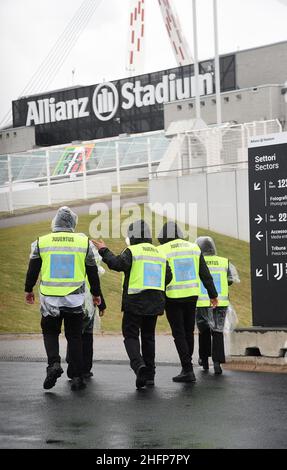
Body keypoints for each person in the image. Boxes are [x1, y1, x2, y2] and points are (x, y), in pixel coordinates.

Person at [24, 206, 105, 391]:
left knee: (50, 333)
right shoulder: (82, 242)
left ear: (55, 222)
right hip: (74, 299)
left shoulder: (42, 241)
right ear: (72, 223)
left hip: (50, 299)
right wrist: (96, 293)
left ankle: (53, 364)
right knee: (74, 336)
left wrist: (28, 289)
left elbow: (33, 269)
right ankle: (77, 376)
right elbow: (92, 270)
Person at [93, 219, 172, 389]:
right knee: (149, 337)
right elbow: (169, 276)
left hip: (135, 302)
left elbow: (116, 264)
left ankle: (139, 366)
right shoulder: (159, 253)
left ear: (132, 234)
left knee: (130, 336)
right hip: (155, 302)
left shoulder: (133, 251)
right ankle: (150, 375)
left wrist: (103, 250)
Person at [158, 222, 218, 383]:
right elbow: (204, 273)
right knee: (188, 332)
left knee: (178, 333)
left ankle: (187, 369)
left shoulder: (162, 250)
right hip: (192, 296)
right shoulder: (193, 248)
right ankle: (187, 365)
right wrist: (213, 294)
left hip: (172, 297)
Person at [195, 236, 240, 375]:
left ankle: (203, 359)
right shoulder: (224, 262)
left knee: (204, 332)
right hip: (221, 303)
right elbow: (231, 281)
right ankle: (217, 363)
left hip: (202, 303)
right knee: (218, 331)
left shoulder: (196, 261)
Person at [66, 246, 106, 379]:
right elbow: (96, 288)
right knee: (87, 337)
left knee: (75, 336)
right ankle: (85, 368)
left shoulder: (77, 268)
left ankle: (73, 367)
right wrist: (101, 305)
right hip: (90, 306)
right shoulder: (93, 269)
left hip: (78, 304)